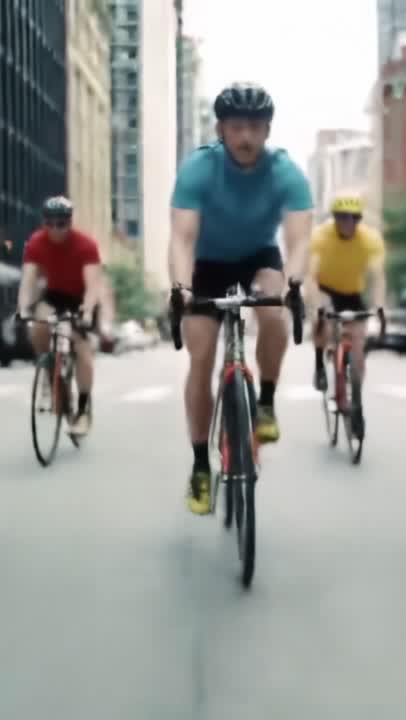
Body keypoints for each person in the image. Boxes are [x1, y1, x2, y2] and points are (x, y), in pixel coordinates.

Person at [168, 81, 312, 515]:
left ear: (267, 130)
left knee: (274, 309)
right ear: (221, 130)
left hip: (258, 258)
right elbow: (182, 238)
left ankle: (265, 402)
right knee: (201, 356)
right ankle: (200, 466)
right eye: (236, 127)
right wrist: (181, 289)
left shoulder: (286, 172)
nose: (246, 136)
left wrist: (294, 285)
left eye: (255, 126)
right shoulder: (199, 168)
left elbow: (299, 240)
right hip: (207, 264)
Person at [17, 195, 111, 435]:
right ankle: (49, 373)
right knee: (38, 326)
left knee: (81, 347)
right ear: (44, 223)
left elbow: (93, 286)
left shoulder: (86, 245)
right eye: (50, 224)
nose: (56, 229)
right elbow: (28, 281)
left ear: (70, 222)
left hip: (81, 297)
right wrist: (23, 309)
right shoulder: (36, 242)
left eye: (62, 224)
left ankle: (83, 410)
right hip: (55, 295)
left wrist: (87, 313)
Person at [307, 194, 387, 393]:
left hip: (352, 293)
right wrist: (317, 306)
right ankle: (319, 364)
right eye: (342, 216)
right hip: (324, 288)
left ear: (360, 219)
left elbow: (378, 277)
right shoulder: (320, 236)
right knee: (323, 323)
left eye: (354, 217)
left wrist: (379, 306)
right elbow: (311, 276)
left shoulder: (370, 239)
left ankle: (355, 397)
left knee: (358, 343)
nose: (348, 222)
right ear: (334, 217)